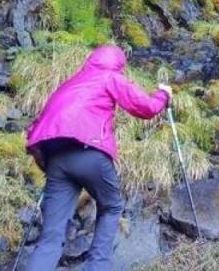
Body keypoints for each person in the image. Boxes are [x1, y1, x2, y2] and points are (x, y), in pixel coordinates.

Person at [25, 45, 173, 271]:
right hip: (89, 152)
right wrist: (164, 95)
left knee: (50, 238)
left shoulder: (69, 84)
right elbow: (146, 107)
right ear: (118, 64)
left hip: (56, 159)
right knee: (112, 207)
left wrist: (46, 164)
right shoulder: (110, 77)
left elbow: (36, 129)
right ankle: (97, 266)